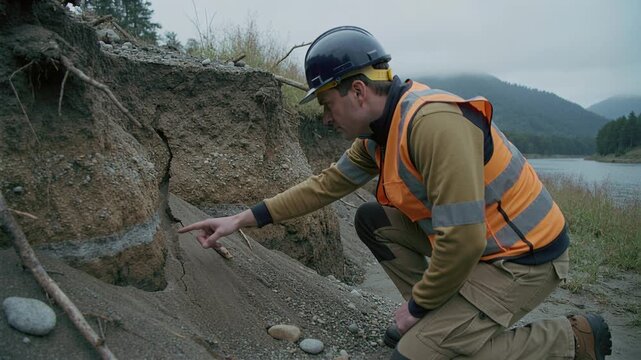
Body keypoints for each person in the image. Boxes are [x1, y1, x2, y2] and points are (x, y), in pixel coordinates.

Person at [178, 26, 612, 360]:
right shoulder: (378, 137)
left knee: (415, 354)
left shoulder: (433, 125)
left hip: (524, 257)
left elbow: (463, 240)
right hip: (481, 250)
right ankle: (445, 323)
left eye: (327, 105)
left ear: (360, 92)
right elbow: (325, 185)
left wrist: (418, 309)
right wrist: (240, 219)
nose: (326, 118)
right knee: (372, 220)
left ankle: (573, 339)